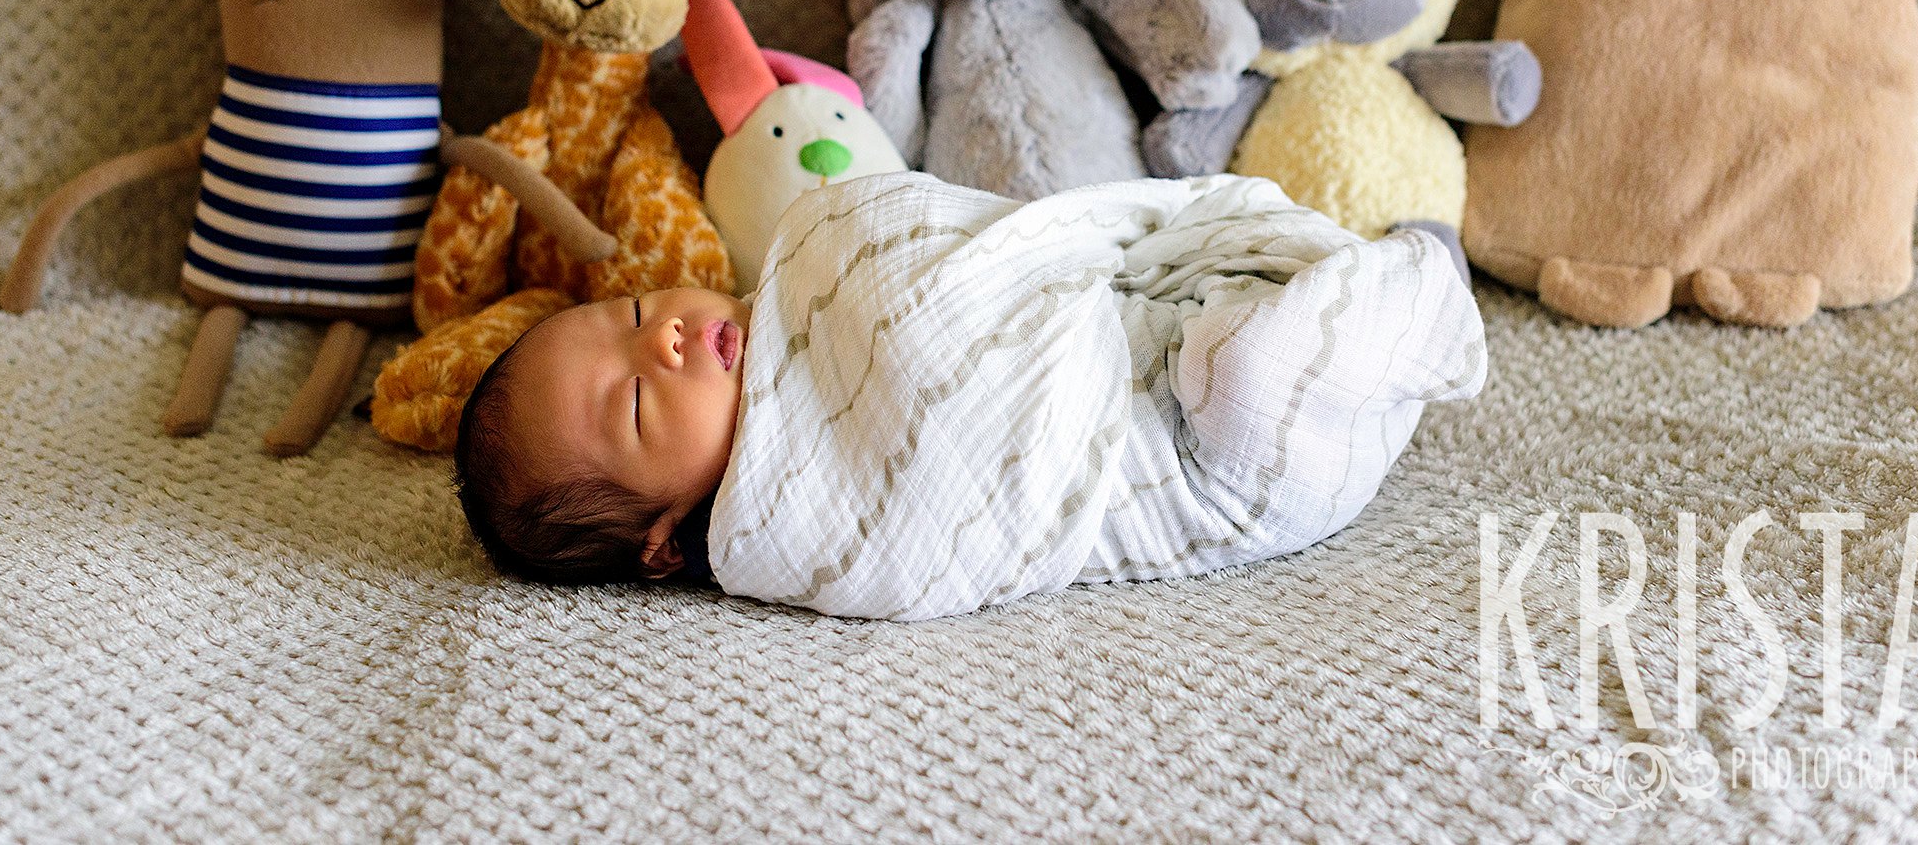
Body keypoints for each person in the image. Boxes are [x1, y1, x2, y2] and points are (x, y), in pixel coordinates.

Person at [455, 170, 1486, 620]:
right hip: (1211, 462)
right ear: (664, 539)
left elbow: (953, 252)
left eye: (634, 309)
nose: (665, 338)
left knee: (1232, 298)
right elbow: (943, 502)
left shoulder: (807, 273)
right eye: (636, 404)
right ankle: (1418, 294)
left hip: (1142, 326)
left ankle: (1355, 291)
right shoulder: (806, 524)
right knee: (1252, 365)